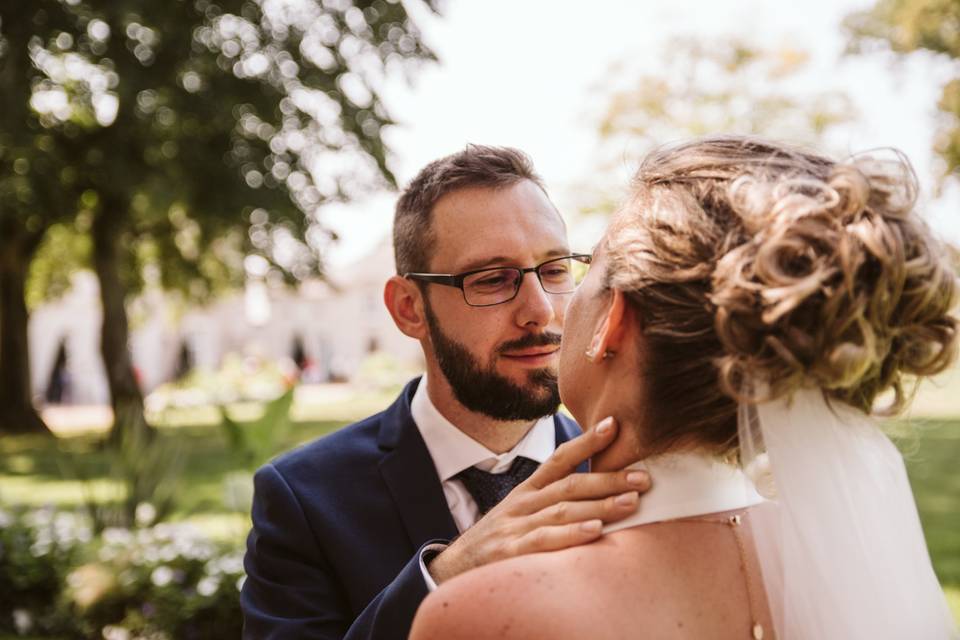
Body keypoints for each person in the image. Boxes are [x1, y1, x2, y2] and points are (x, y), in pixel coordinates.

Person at [410, 136, 959, 639]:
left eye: (582, 272)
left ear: (613, 320)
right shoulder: (845, 566)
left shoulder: (481, 614)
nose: (549, 311)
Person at [240, 145, 653, 639]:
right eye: (493, 279)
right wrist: (441, 578)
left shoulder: (636, 475)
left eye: (555, 269)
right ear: (409, 308)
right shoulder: (304, 498)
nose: (540, 310)